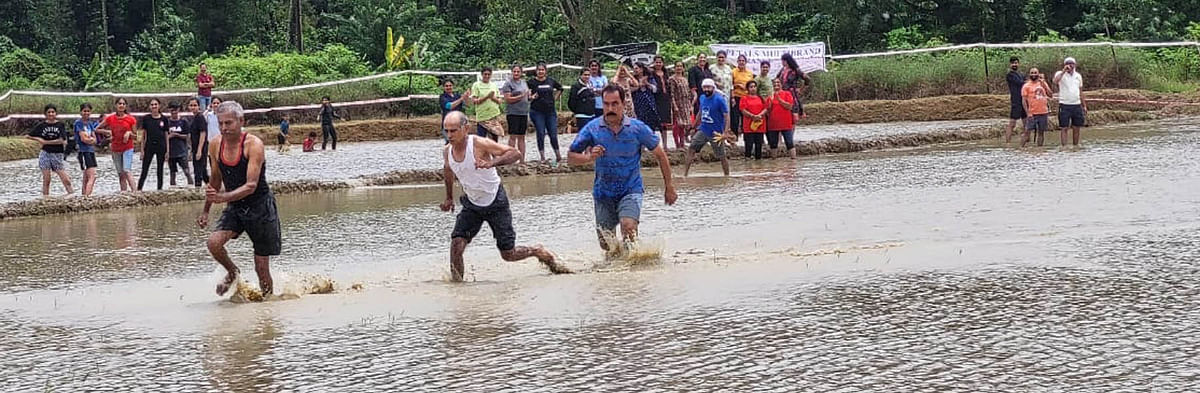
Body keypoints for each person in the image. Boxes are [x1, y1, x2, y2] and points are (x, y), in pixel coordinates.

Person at [440, 111, 569, 281]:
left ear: (466, 128)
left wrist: (492, 163)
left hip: (496, 201)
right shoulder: (447, 151)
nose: (449, 135)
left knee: (508, 254)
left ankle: (537, 251)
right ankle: (457, 290)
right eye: (446, 131)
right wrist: (449, 198)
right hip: (472, 204)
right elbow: (448, 172)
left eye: (453, 130)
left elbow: (515, 153)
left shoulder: (479, 143)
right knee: (456, 244)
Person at [568, 85, 677, 253]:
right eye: (606, 104)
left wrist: (669, 187)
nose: (610, 109)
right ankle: (616, 271)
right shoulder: (592, 129)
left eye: (615, 104)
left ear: (624, 103)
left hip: (630, 189)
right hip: (603, 193)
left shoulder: (637, 128)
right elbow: (571, 158)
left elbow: (661, 155)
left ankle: (633, 271)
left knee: (628, 227)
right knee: (607, 244)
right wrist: (589, 158)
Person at [196, 100, 281, 298]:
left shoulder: (254, 145)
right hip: (235, 206)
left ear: (241, 121)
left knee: (261, 267)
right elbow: (215, 180)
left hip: (260, 207)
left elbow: (251, 185)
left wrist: (222, 197)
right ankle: (233, 272)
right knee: (213, 243)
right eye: (221, 123)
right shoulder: (216, 144)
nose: (224, 128)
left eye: (229, 123)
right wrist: (206, 210)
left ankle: (268, 306)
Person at [685, 79, 731, 177]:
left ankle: (727, 176)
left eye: (708, 87)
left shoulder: (719, 99)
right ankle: (685, 174)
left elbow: (727, 116)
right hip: (703, 130)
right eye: (704, 87)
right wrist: (693, 126)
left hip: (716, 133)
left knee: (722, 156)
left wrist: (725, 133)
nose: (706, 89)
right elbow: (700, 113)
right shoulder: (702, 98)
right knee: (691, 148)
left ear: (713, 88)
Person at [27, 104, 73, 196]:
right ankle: (46, 199)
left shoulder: (60, 125)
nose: (51, 114)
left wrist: (46, 142)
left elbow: (62, 141)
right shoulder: (42, 125)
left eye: (53, 112)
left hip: (57, 154)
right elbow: (28, 135)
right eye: (49, 112)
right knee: (46, 180)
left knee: (66, 180)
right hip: (45, 153)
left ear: (56, 113)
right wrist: (39, 139)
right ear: (45, 114)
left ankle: (72, 195)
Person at [95, 97, 137, 191]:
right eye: (119, 103)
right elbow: (97, 129)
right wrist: (107, 132)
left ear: (125, 106)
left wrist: (129, 133)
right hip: (115, 148)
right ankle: (123, 193)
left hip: (127, 147)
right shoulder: (110, 118)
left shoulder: (131, 119)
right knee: (120, 173)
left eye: (123, 104)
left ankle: (135, 192)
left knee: (127, 170)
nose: (121, 105)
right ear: (116, 105)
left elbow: (136, 136)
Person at [527, 62, 564, 163]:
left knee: (553, 134)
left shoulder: (551, 81)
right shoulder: (531, 82)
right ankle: (542, 157)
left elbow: (560, 88)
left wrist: (554, 99)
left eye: (542, 70)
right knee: (540, 133)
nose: (540, 72)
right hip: (537, 111)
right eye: (539, 70)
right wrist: (531, 97)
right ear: (536, 71)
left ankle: (558, 155)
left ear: (545, 71)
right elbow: (528, 96)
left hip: (550, 111)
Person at [501, 63, 532, 162]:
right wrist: (521, 96)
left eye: (518, 71)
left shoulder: (523, 82)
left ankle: (522, 160)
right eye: (514, 71)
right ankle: (510, 159)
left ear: (521, 73)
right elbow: (508, 99)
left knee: (522, 137)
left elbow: (527, 96)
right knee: (513, 136)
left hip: (523, 113)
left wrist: (531, 97)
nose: (516, 73)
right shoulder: (508, 84)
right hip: (513, 113)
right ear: (511, 72)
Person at [1054, 57, 1087, 146]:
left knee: (1076, 127)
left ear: (1075, 65)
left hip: (1076, 104)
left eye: (1072, 63)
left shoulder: (1078, 76)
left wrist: (1084, 105)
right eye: (1068, 63)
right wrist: (1064, 71)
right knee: (1064, 127)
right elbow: (1055, 81)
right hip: (1064, 105)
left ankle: (1075, 146)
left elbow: (1080, 91)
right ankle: (1064, 147)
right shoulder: (1060, 74)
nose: (1070, 65)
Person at [138, 98, 169, 191]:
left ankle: (159, 189)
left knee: (160, 170)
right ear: (150, 107)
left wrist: (168, 150)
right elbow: (143, 135)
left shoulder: (164, 119)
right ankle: (139, 189)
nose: (154, 106)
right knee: (144, 169)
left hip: (161, 147)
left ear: (159, 106)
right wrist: (142, 150)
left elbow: (166, 135)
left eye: (155, 104)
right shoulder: (146, 118)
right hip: (149, 146)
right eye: (152, 105)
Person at [1021, 68, 1054, 148]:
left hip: (1043, 112)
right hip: (1032, 112)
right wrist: (1028, 112)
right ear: (1029, 74)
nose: (1033, 74)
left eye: (1035, 73)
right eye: (1032, 73)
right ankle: (1021, 148)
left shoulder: (1042, 84)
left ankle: (1039, 149)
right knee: (1027, 131)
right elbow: (1024, 101)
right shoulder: (1026, 86)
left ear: (1038, 74)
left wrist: (1044, 84)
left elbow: (1050, 95)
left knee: (1041, 132)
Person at [766, 79, 797, 159]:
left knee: (789, 142)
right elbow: (768, 111)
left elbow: (789, 106)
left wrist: (780, 100)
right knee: (773, 144)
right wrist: (770, 102)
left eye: (778, 82)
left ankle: (793, 161)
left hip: (786, 123)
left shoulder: (787, 94)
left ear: (781, 84)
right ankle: (774, 163)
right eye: (774, 83)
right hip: (773, 123)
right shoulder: (770, 96)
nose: (776, 84)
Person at [471, 67, 505, 141]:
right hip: (482, 116)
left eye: (488, 74)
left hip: (493, 116)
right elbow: (474, 101)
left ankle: (494, 152)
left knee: (494, 140)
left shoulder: (494, 85)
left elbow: (500, 101)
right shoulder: (476, 85)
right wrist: (486, 97)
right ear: (481, 74)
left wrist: (493, 98)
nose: (486, 76)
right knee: (481, 140)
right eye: (485, 74)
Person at [74, 103, 100, 196]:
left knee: (86, 177)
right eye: (84, 111)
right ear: (81, 112)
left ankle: (84, 195)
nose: (86, 113)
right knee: (92, 176)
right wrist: (90, 140)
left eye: (88, 111)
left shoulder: (90, 123)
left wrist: (90, 140)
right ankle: (87, 197)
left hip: (91, 151)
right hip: (83, 152)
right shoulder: (78, 123)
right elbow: (83, 139)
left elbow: (95, 139)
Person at [667, 61, 694, 151]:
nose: (679, 68)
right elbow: (672, 94)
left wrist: (690, 105)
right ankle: (677, 144)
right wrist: (674, 105)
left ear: (683, 68)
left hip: (685, 103)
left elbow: (688, 93)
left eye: (680, 66)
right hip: (677, 104)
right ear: (674, 68)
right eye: (677, 66)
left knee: (683, 125)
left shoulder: (684, 79)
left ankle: (682, 143)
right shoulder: (672, 79)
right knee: (677, 124)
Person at [632, 63, 662, 143]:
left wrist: (647, 84)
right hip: (638, 103)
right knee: (640, 122)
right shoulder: (632, 79)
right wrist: (638, 86)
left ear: (641, 69)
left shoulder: (650, 78)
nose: (635, 70)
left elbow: (655, 89)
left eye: (637, 68)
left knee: (651, 122)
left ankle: (651, 142)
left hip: (649, 103)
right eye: (634, 68)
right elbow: (628, 90)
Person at [166, 101, 193, 186]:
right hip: (171, 152)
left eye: (175, 109)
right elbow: (164, 137)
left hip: (182, 151)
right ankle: (173, 188)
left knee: (187, 172)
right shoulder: (167, 122)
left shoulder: (183, 121)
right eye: (172, 110)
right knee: (172, 173)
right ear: (169, 110)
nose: (174, 111)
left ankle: (192, 186)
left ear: (178, 110)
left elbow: (188, 136)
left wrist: (177, 135)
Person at [739, 80, 768, 160]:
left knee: (759, 145)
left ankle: (758, 164)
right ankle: (747, 160)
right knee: (749, 145)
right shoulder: (744, 98)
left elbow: (766, 108)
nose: (753, 88)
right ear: (748, 89)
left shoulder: (761, 98)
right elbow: (743, 110)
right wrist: (752, 116)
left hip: (760, 124)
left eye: (754, 87)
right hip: (748, 125)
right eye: (751, 87)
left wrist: (760, 115)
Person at [779, 53, 812, 120]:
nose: (782, 62)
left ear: (786, 61)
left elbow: (807, 79)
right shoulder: (782, 70)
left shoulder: (796, 70)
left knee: (793, 113)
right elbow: (777, 79)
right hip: (783, 93)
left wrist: (801, 89)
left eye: (783, 61)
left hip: (791, 94)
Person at [187, 98, 210, 189]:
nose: (193, 107)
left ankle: (197, 188)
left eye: (195, 105)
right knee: (202, 170)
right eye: (191, 105)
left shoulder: (200, 118)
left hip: (201, 147)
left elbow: (203, 133)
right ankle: (211, 187)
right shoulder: (193, 118)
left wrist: (199, 150)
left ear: (199, 106)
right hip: (195, 147)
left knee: (198, 169)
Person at [730, 54, 755, 137]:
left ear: (746, 62)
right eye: (739, 60)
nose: (741, 62)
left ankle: (746, 136)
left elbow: (752, 86)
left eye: (743, 61)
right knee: (735, 118)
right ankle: (734, 137)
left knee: (745, 117)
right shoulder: (733, 72)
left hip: (746, 97)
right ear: (737, 62)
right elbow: (730, 85)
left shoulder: (750, 73)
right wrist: (733, 95)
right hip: (736, 97)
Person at [438, 79, 469, 144]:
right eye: (446, 86)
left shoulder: (457, 95)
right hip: (448, 125)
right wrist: (461, 99)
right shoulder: (442, 97)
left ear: (453, 86)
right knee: (450, 143)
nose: (448, 87)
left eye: (450, 85)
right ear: (443, 87)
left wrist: (466, 97)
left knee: (461, 143)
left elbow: (467, 105)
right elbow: (449, 106)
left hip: (459, 124)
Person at [568, 68, 597, 134]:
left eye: (588, 75)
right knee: (583, 135)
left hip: (592, 115)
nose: (587, 76)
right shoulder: (576, 86)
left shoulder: (591, 86)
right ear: (581, 75)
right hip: (582, 116)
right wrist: (577, 111)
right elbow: (571, 102)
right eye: (585, 75)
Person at [1005, 57, 1026, 144]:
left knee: (1026, 122)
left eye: (1016, 63)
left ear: (1018, 64)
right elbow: (1020, 82)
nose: (1014, 64)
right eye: (1013, 63)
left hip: (1024, 101)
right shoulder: (1010, 75)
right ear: (1010, 64)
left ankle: (1026, 141)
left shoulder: (1021, 74)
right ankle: (1008, 143)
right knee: (1012, 123)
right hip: (1016, 101)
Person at [652, 56, 673, 138]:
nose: (658, 64)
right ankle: (653, 144)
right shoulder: (651, 73)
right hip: (656, 99)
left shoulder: (666, 73)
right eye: (656, 62)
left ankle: (665, 145)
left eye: (660, 62)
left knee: (664, 123)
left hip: (665, 99)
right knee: (654, 122)